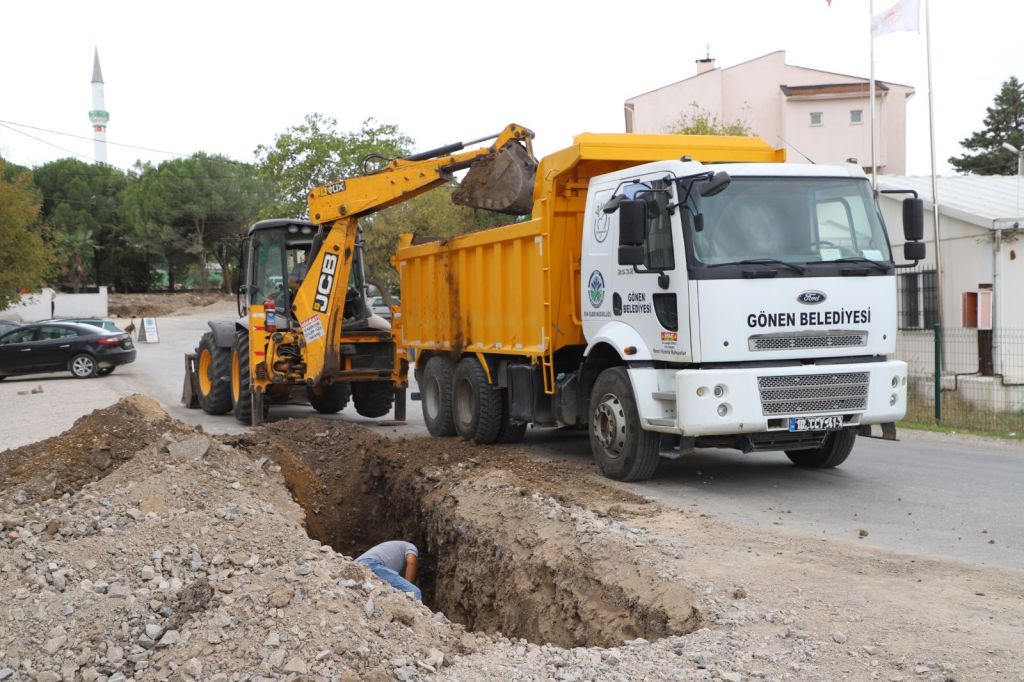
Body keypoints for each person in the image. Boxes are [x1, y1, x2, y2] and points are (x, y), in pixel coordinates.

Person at [355, 540, 421, 600]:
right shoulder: (411, 546)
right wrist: (409, 587)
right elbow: (411, 562)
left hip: (356, 565)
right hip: (372, 564)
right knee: (415, 592)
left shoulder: (395, 547)